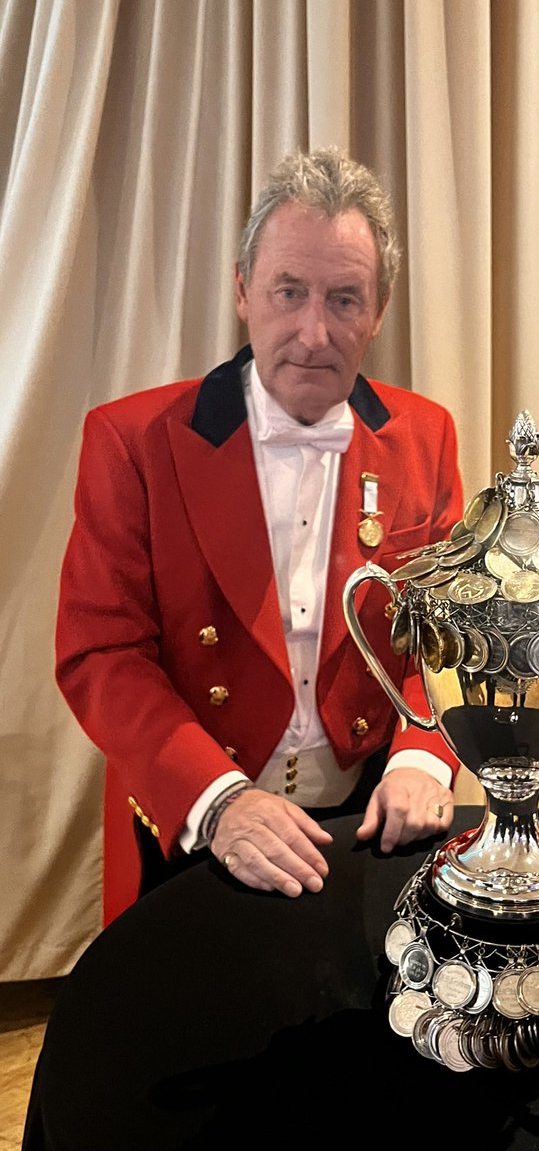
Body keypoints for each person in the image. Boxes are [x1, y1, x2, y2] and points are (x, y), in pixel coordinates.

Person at [56, 148, 463, 924]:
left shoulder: (425, 436)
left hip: (366, 820)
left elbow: (440, 636)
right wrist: (219, 801)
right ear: (243, 292)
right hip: (194, 827)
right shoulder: (132, 439)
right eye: (289, 291)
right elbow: (99, 654)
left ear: (378, 312)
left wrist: (420, 756)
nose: (315, 331)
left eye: (346, 299)